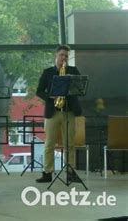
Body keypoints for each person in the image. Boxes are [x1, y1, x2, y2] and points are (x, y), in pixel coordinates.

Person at [36, 45, 82, 183]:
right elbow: (39, 91)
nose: (64, 58)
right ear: (56, 56)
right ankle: (47, 173)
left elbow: (79, 88)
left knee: (70, 144)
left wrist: (71, 80)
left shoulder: (73, 71)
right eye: (62, 55)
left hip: (69, 111)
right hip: (53, 112)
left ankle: (70, 171)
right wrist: (50, 96)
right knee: (49, 143)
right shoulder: (48, 72)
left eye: (66, 56)